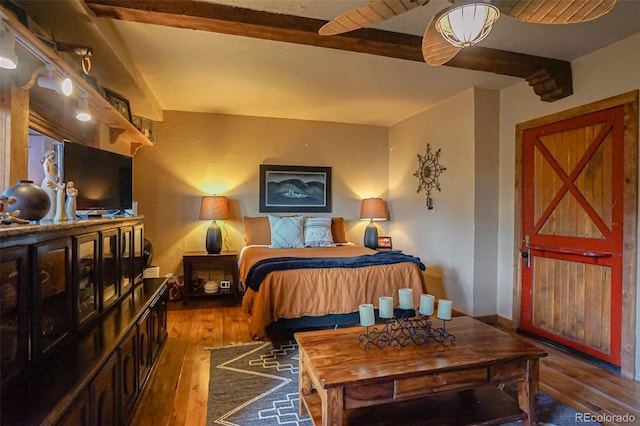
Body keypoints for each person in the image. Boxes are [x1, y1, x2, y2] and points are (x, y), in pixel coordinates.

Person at [40, 150, 59, 220]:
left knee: (54, 199)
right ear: (49, 155)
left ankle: (53, 214)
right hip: (49, 182)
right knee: (51, 198)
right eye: (52, 156)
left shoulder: (51, 163)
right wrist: (52, 182)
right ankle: (49, 216)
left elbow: (54, 173)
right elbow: (47, 174)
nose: (53, 157)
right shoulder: (46, 163)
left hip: (53, 181)